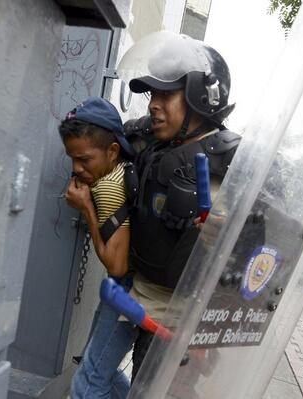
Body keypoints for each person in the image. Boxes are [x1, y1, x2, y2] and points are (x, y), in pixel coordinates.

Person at [117, 32, 242, 380]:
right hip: (137, 297)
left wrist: (227, 238)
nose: (154, 103)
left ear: (202, 99)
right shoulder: (156, 146)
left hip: (175, 323)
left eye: (167, 94)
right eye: (153, 94)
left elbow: (252, 253)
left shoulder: (228, 169)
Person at [60, 96, 137, 398]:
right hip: (126, 292)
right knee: (96, 368)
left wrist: (86, 210)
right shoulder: (123, 170)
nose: (77, 168)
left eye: (85, 159)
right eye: (72, 159)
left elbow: (116, 266)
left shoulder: (108, 187)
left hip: (126, 292)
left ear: (112, 151)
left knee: (87, 383)